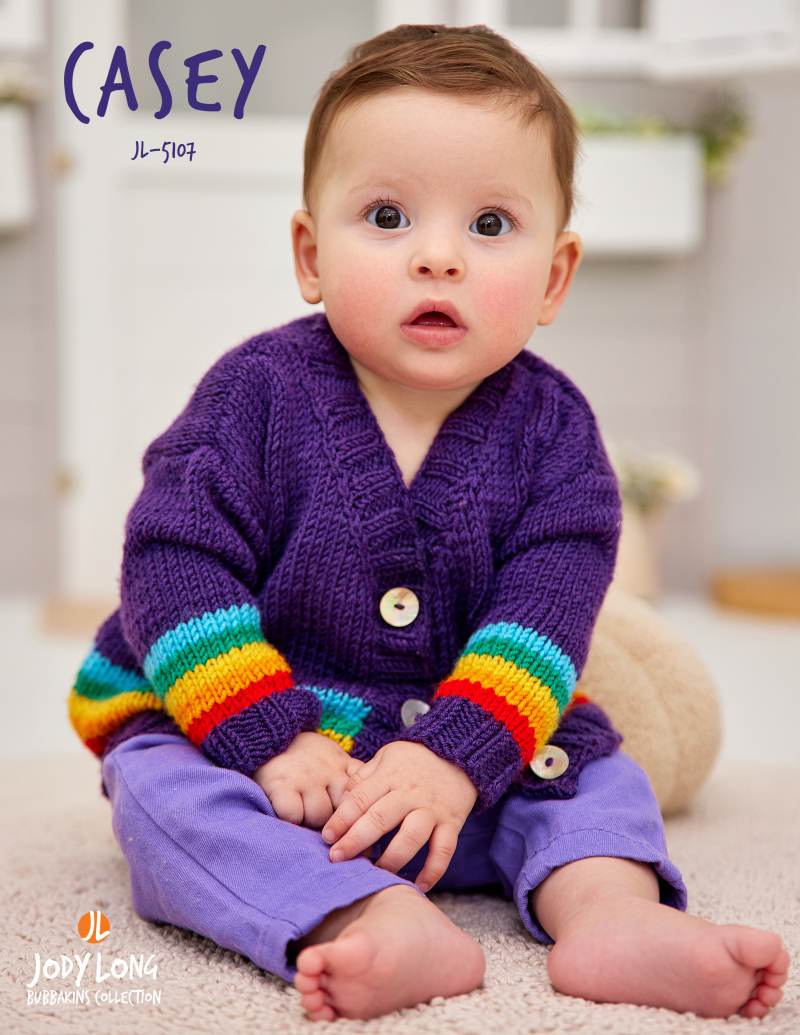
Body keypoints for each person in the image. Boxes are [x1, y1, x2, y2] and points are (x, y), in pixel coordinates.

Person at [68, 23, 790, 1024]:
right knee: (162, 795)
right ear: (311, 255)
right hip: (274, 755)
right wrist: (270, 737)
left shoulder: (555, 434)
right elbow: (173, 566)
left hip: (479, 756)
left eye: (489, 224)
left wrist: (454, 756)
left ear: (554, 277)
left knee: (597, 784)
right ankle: (356, 913)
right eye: (387, 216)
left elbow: (543, 619)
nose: (438, 257)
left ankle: (608, 916)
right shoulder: (253, 398)